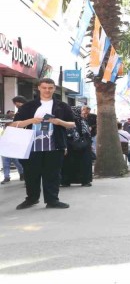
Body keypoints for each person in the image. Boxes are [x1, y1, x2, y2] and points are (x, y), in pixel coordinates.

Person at [11, 78, 75, 209]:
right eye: (44, 87)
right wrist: (31, 120)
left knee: (53, 174)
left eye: (50, 88)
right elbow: (14, 124)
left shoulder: (62, 106)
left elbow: (72, 124)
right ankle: (31, 199)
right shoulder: (27, 106)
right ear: (38, 88)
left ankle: (52, 200)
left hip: (55, 145)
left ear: (54, 88)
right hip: (31, 146)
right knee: (31, 174)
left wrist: (59, 122)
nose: (47, 90)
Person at [61, 106, 93, 187]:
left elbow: (87, 133)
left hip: (82, 146)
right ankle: (66, 181)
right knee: (69, 163)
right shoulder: (69, 121)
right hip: (71, 145)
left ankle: (84, 180)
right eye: (82, 110)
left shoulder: (83, 120)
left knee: (83, 163)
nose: (83, 112)